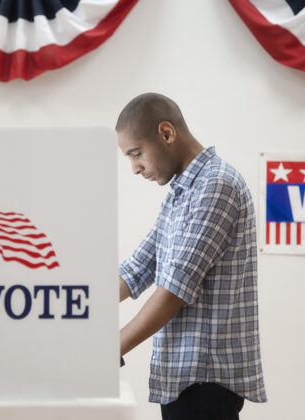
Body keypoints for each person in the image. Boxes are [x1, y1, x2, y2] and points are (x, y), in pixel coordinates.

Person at [116, 93, 267, 420]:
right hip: (183, 382)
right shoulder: (182, 194)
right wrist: (75, 307)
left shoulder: (216, 185)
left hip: (205, 385)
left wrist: (111, 347)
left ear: (167, 134)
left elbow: (174, 290)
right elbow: (137, 268)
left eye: (136, 153)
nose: (135, 168)